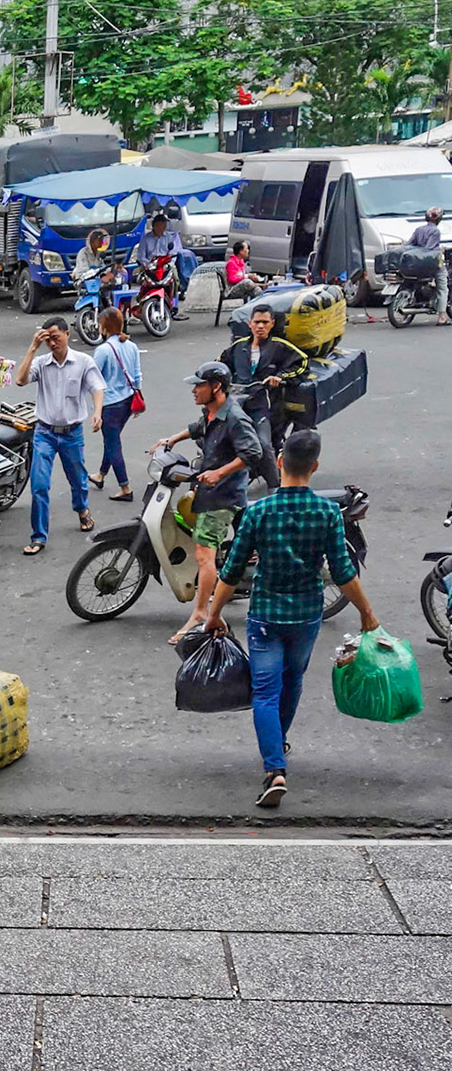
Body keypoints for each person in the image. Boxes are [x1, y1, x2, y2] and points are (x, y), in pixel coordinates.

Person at [204, 429, 380, 808]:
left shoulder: (257, 512)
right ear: (315, 467)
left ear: (280, 462)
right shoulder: (328, 513)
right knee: (293, 680)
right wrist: (367, 614)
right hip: (306, 615)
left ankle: (275, 768)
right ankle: (277, 745)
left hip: (265, 614)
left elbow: (232, 571)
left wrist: (212, 614)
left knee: (265, 691)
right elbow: (344, 572)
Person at [148, 362, 264, 645]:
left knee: (204, 555)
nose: (194, 390)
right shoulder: (213, 412)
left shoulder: (235, 418)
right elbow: (199, 427)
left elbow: (253, 451)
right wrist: (172, 439)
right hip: (208, 491)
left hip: (223, 496)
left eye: (199, 385)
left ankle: (201, 613)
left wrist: (219, 472)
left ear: (216, 388)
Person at [13, 316, 104, 556]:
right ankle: (38, 536)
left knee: (78, 480)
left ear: (67, 335)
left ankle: (82, 509)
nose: (52, 343)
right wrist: (32, 348)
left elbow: (97, 387)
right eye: (48, 340)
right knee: (39, 485)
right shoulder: (41, 363)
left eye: (56, 338)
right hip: (44, 432)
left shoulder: (83, 362)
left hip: (72, 433)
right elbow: (20, 380)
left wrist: (97, 412)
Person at [220, 305, 307, 490]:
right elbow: (220, 367)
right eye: (257, 322)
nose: (260, 326)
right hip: (236, 404)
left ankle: (277, 488)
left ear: (272, 324)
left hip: (263, 405)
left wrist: (280, 377)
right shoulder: (238, 347)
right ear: (249, 324)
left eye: (265, 322)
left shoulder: (279, 346)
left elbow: (302, 363)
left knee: (264, 445)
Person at [90, 306, 142, 502]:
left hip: (110, 404)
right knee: (111, 440)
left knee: (113, 444)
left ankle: (125, 487)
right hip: (128, 400)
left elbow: (93, 378)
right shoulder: (132, 346)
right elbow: (137, 375)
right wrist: (137, 394)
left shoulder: (103, 350)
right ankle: (101, 475)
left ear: (104, 327)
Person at [134, 212, 188, 320]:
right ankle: (141, 303)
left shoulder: (169, 237)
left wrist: (168, 265)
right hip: (150, 266)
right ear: (155, 225)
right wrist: (148, 265)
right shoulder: (146, 239)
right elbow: (141, 256)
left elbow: (173, 253)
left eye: (164, 224)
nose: (163, 227)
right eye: (160, 224)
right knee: (142, 280)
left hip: (165, 265)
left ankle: (174, 306)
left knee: (175, 280)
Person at [405, 205, 448, 325]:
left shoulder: (419, 230)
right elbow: (429, 249)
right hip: (429, 264)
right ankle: (442, 316)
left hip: (416, 264)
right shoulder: (435, 231)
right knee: (442, 286)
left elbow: (409, 245)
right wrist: (441, 251)